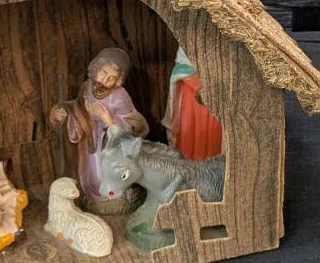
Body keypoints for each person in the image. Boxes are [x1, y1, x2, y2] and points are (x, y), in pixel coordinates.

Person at [49, 48, 150, 205]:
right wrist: (62, 112)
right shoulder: (87, 87)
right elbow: (78, 107)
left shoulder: (120, 96)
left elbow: (134, 125)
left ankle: (113, 198)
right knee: (90, 173)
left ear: (118, 81)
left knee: (106, 173)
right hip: (90, 142)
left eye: (111, 78)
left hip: (110, 144)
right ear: (95, 68)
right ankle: (93, 197)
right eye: (103, 72)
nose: (104, 80)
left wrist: (108, 119)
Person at [163, 48, 223, 161]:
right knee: (190, 129)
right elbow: (183, 65)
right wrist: (197, 85)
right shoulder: (188, 42)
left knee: (212, 132)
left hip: (216, 90)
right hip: (191, 92)